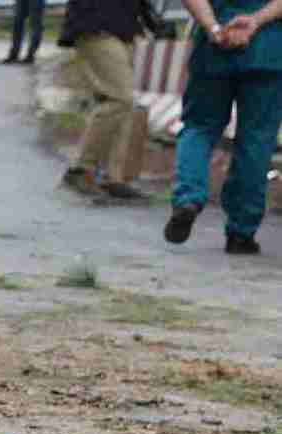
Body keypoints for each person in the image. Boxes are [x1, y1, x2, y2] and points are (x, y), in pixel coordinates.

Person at [164, 0, 282, 254]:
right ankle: (241, 232)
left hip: (215, 47)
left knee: (199, 127)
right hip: (269, 48)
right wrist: (255, 21)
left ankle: (188, 199)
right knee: (256, 139)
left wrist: (213, 28)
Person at [56, 0, 158, 199]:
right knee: (121, 99)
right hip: (95, 25)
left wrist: (152, 22)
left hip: (123, 26)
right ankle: (80, 169)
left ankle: (114, 178)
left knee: (123, 103)